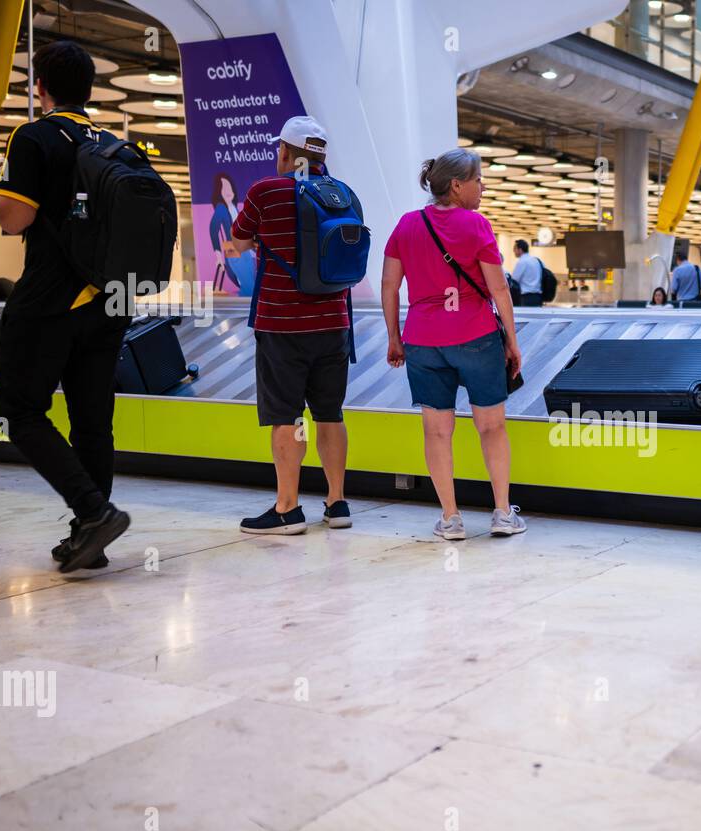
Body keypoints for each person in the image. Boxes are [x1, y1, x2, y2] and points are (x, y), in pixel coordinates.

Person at [0, 40, 131, 573]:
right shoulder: (111, 142)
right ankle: (89, 536)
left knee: (21, 411)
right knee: (93, 422)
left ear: (40, 87)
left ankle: (93, 512)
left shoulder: (34, 135)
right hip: (110, 301)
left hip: (51, 300)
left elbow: (13, 220)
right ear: (89, 88)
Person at [381, 149, 526, 540]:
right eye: (478, 180)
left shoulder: (407, 225)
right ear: (457, 185)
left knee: (437, 431)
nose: (482, 187)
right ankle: (501, 513)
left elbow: (390, 285)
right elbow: (498, 289)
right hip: (475, 336)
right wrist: (512, 342)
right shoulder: (476, 225)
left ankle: (450, 518)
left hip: (424, 342)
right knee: (492, 426)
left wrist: (394, 337)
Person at [230, 115, 353, 535]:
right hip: (334, 324)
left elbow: (239, 241)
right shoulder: (344, 193)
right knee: (330, 414)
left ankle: (287, 509)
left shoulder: (266, 190)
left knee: (288, 416)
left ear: (285, 151)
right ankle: (337, 504)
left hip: (282, 325)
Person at [510, 239, 544, 306]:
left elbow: (514, 280)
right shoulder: (537, 260)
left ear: (520, 249)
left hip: (526, 297)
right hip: (539, 297)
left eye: (515, 248)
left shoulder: (522, 262)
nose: (513, 251)